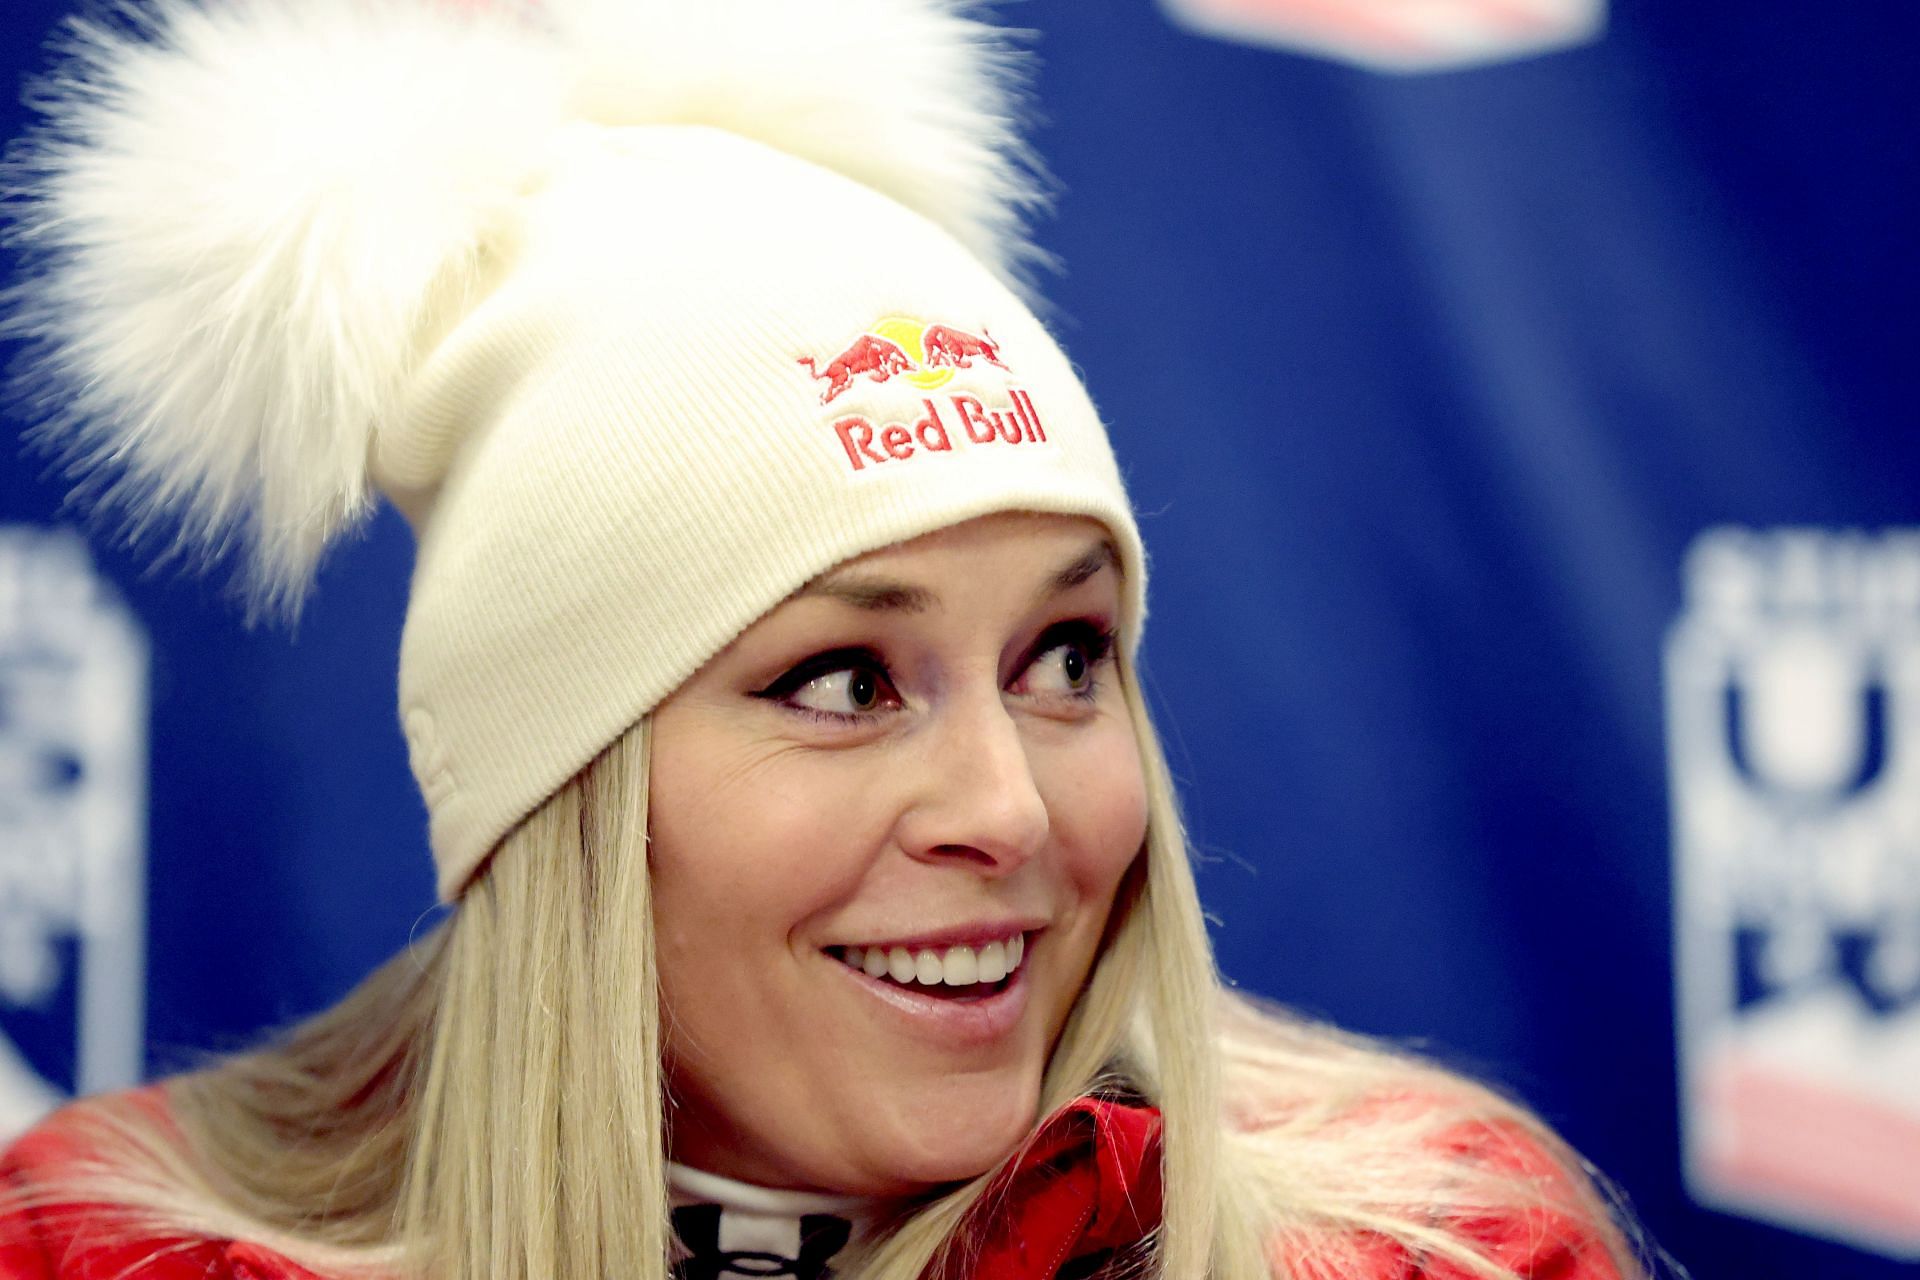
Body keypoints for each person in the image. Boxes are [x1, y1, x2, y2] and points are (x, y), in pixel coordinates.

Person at [0, 1, 1643, 1278]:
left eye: (1066, 657)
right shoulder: (110, 1250)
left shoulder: (1442, 1245)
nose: (1007, 810)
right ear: (557, 785)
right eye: (847, 683)